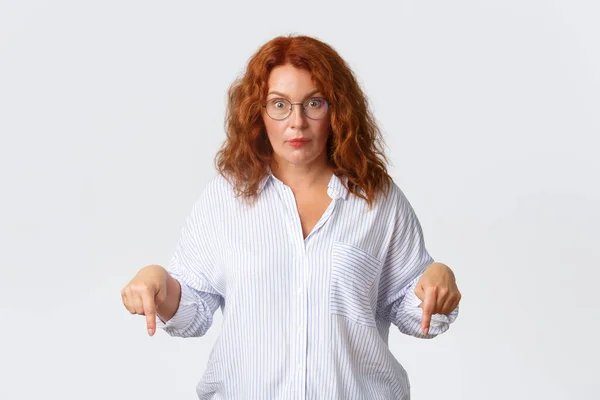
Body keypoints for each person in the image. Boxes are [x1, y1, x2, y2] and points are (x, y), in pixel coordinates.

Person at [121, 34, 461, 399]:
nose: (297, 122)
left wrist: (438, 281)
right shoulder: (225, 199)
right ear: (258, 113)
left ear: (337, 111)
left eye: (314, 103)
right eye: (279, 105)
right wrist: (157, 283)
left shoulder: (377, 201)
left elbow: (414, 312)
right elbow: (195, 309)